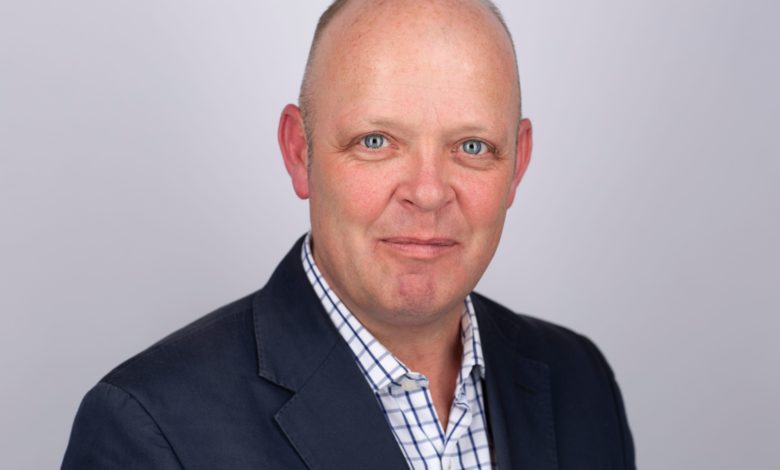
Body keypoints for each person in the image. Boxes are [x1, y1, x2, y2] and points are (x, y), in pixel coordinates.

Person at [62, 0, 635, 468]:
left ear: (518, 163)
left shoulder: (579, 380)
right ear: (299, 152)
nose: (428, 192)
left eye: (472, 146)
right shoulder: (150, 429)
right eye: (376, 141)